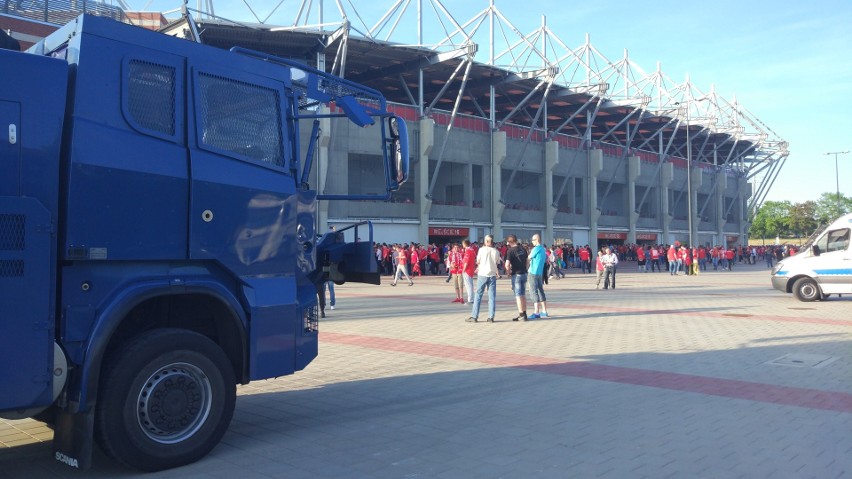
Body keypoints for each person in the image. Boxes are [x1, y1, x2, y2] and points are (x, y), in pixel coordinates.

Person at [467, 235, 500, 323]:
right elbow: (497, 262)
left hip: (482, 274)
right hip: (492, 275)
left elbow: (478, 261)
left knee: (478, 295)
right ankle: (491, 317)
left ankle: (474, 316)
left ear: (486, 241)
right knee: (492, 297)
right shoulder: (496, 251)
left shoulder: (481, 250)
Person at [504, 235, 528, 321]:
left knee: (518, 295)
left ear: (509, 242)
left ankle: (521, 314)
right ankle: (525, 313)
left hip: (516, 274)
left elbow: (507, 264)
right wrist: (526, 269)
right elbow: (527, 260)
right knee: (523, 294)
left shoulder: (510, 251)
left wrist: (508, 273)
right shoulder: (522, 248)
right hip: (524, 274)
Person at [527, 234, 549, 318]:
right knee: (540, 291)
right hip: (540, 272)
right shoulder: (543, 249)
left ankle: (536, 312)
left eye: (533, 240)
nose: (532, 241)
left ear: (537, 240)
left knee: (533, 291)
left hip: (533, 272)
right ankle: (544, 311)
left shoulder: (535, 249)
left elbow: (529, 257)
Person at [461, 239, 476, 304]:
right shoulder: (472, 250)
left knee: (468, 285)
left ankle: (470, 299)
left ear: (464, 244)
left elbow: (466, 262)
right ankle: (471, 298)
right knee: (470, 285)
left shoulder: (468, 251)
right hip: (471, 269)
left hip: (467, 270)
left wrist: (463, 270)